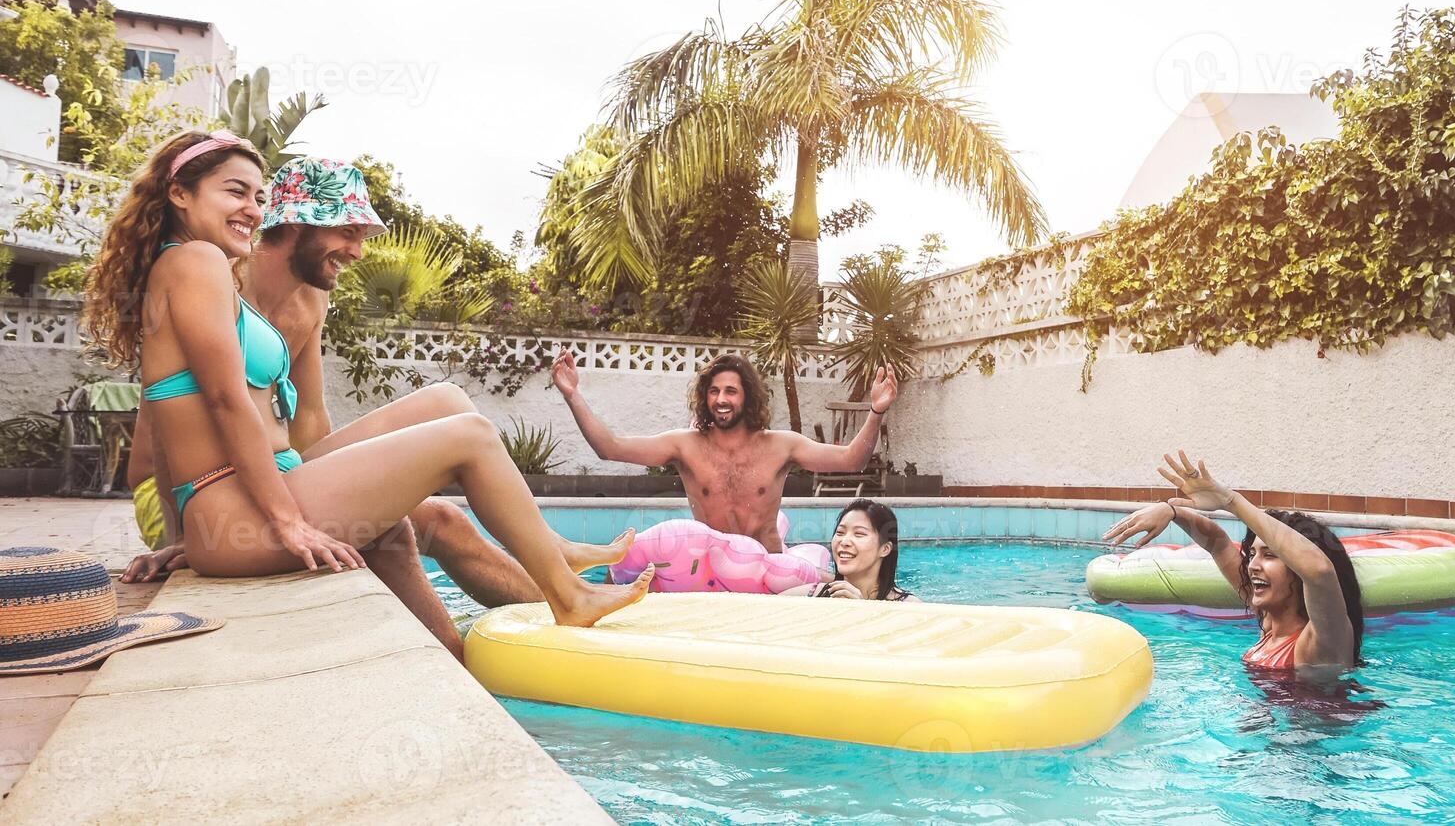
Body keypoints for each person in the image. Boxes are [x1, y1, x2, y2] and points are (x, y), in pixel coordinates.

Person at [83, 130, 650, 631]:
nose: (253, 210)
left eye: (258, 196)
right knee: (468, 437)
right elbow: (225, 401)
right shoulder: (196, 263)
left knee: (448, 402)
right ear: (179, 194)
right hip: (236, 509)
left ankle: (549, 558)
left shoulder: (206, 267)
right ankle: (567, 595)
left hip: (250, 493)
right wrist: (271, 524)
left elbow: (284, 418)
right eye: (235, 192)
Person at [556, 350, 898, 552]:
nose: (721, 399)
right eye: (714, 391)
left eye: (731, 391)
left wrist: (876, 412)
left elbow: (851, 460)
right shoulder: (684, 446)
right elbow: (609, 448)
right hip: (710, 570)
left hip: (768, 569)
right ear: (705, 397)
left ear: (746, 396)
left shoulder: (782, 445)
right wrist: (573, 396)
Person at [1102, 451, 1363, 671]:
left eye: (1270, 555)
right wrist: (1171, 511)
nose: (1252, 565)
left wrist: (1231, 501)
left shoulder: (1322, 642)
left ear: (1298, 572)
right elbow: (1218, 544)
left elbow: (1318, 570)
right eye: (1252, 554)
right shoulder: (1269, 620)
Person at [780, 499, 918, 601]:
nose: (844, 541)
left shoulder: (909, 607)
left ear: (885, 549)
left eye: (859, 534)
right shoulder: (808, 596)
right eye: (840, 532)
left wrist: (859, 610)